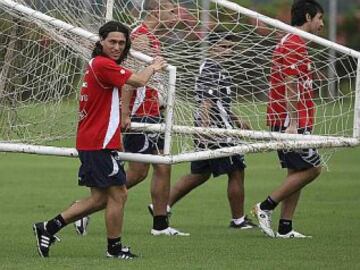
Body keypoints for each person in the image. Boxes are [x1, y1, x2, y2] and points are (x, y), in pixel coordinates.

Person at [32, 20, 167, 259]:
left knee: (100, 198)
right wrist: (154, 65)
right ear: (101, 42)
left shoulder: (101, 65)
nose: (116, 46)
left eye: (121, 43)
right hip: (97, 143)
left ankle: (48, 227)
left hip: (96, 142)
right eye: (112, 41)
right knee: (119, 194)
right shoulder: (103, 64)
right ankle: (114, 249)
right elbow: (138, 81)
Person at [74, 0, 189, 237]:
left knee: (163, 166)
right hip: (140, 114)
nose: (175, 15)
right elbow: (129, 79)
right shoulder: (141, 37)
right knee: (138, 172)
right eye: (170, 10)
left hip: (153, 112)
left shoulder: (153, 38)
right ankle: (87, 208)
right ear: (156, 10)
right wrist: (125, 112)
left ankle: (160, 224)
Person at [168, 32, 257, 230]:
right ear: (211, 47)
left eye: (230, 47)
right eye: (223, 47)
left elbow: (218, 103)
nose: (228, 51)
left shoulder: (216, 69)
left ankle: (162, 205)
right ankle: (238, 220)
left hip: (216, 128)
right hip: (218, 133)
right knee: (236, 172)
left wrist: (237, 119)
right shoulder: (210, 68)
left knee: (199, 173)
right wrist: (205, 128)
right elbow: (206, 102)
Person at [252, 0, 324, 238]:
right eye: (319, 18)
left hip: (296, 118)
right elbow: (290, 85)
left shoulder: (295, 42)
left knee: (296, 173)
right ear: (307, 16)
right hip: (288, 121)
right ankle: (265, 206)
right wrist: (292, 122)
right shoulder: (293, 42)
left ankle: (285, 228)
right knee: (313, 169)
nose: (321, 24)